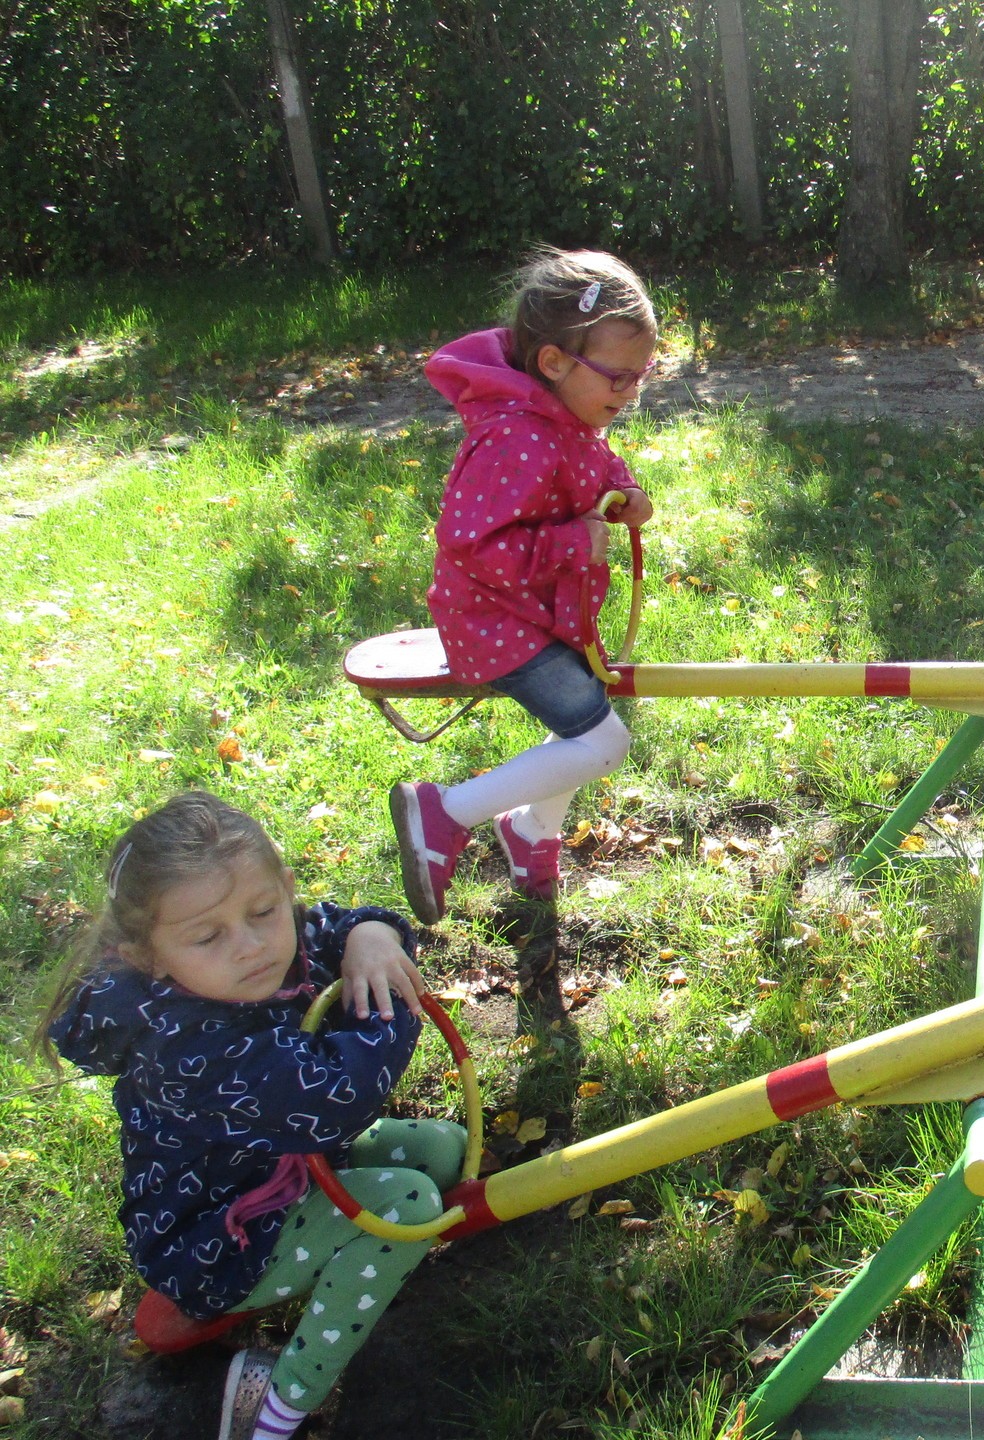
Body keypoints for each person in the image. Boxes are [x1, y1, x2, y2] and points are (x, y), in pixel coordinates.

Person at [36, 792, 464, 1440]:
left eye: (264, 911)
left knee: (442, 1149)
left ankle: (364, 1254)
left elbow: (331, 926)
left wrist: (373, 936)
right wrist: (389, 1000)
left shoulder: (273, 943)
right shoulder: (184, 1046)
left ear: (285, 889)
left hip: (282, 1166)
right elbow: (337, 1096)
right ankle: (276, 1406)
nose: (251, 945)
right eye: (208, 937)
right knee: (408, 1205)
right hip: (219, 1240)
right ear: (149, 958)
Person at [390, 247, 657, 923]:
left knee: (581, 725)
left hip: (538, 614)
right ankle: (446, 811)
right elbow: (473, 547)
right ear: (555, 362)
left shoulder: (566, 417)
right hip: (494, 621)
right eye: (620, 376)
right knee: (604, 743)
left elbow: (592, 462)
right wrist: (574, 543)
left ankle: (531, 830)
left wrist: (622, 490)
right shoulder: (516, 437)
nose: (631, 391)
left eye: (643, 374)